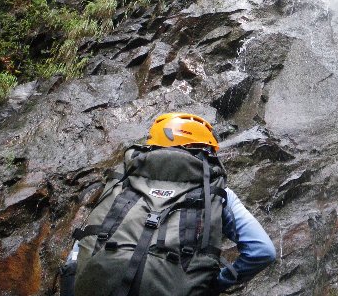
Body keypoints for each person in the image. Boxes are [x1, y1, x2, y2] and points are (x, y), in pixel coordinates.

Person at [63, 112, 276, 295]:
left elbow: (88, 238)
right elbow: (262, 251)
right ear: (203, 149)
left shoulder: (123, 178)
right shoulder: (217, 192)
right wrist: (212, 285)